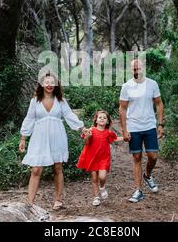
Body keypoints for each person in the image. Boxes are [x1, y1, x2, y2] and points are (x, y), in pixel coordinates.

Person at [19, 73, 90, 210]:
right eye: (47, 82)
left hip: (57, 137)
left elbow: (69, 115)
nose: (50, 84)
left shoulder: (60, 100)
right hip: (39, 138)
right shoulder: (35, 101)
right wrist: (23, 138)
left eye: (52, 82)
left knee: (57, 168)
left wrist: (82, 128)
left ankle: (58, 200)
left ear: (56, 84)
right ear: (41, 84)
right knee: (36, 170)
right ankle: (30, 203)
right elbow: (29, 119)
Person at [119, 59, 164, 203]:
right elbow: (122, 108)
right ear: (131, 70)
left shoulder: (152, 84)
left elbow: (159, 103)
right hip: (133, 127)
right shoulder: (127, 86)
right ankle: (138, 190)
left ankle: (147, 175)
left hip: (149, 125)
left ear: (143, 68)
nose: (136, 71)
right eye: (134, 69)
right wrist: (124, 130)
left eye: (138, 68)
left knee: (153, 156)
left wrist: (160, 124)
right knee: (137, 158)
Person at [76, 110, 123, 206]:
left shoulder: (108, 132)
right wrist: (87, 137)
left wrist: (125, 137)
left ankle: (102, 187)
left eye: (104, 118)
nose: (102, 119)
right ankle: (96, 197)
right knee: (94, 178)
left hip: (103, 158)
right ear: (96, 120)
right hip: (92, 158)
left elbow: (115, 139)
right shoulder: (91, 130)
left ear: (107, 121)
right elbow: (86, 142)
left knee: (102, 176)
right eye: (100, 117)